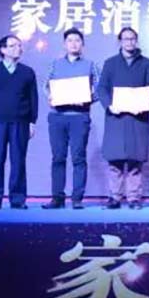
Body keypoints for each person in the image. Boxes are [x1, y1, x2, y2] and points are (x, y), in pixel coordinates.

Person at [97, 27, 149, 210]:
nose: (129, 42)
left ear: (136, 41)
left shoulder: (147, 63)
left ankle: (133, 198)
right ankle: (114, 197)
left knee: (135, 161)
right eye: (125, 39)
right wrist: (109, 105)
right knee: (115, 160)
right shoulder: (110, 63)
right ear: (120, 41)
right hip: (116, 117)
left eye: (132, 39)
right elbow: (102, 88)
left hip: (138, 118)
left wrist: (144, 102)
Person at [0, 35, 38, 209]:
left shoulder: (27, 72)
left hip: (20, 122)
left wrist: (32, 122)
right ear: (2, 50)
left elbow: (33, 99)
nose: (18, 48)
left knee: (18, 161)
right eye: (13, 46)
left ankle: (18, 199)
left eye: (19, 45)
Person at [41, 28, 99, 210]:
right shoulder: (55, 64)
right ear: (64, 44)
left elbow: (99, 89)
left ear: (83, 44)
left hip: (79, 117)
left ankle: (77, 198)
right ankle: (57, 198)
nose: (74, 44)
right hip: (57, 117)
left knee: (78, 158)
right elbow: (45, 86)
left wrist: (88, 98)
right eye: (70, 40)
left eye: (77, 40)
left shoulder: (90, 65)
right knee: (58, 158)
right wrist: (50, 97)